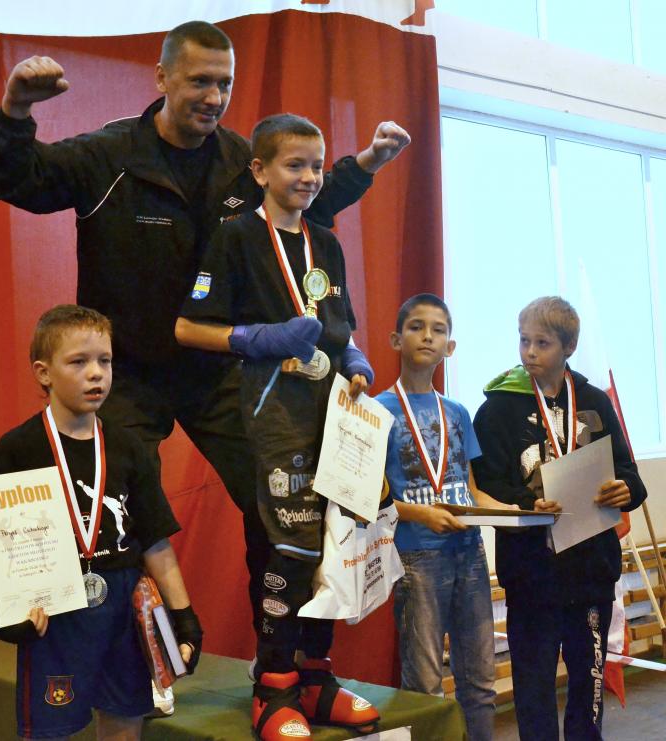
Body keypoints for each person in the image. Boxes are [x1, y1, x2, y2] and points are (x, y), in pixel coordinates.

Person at [0, 20, 410, 638]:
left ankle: (280, 661)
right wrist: (16, 110)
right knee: (113, 512)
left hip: (221, 370)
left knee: (279, 501)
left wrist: (366, 164)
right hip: (127, 374)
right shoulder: (110, 155)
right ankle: (125, 657)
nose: (214, 96)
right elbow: (20, 180)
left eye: (224, 84)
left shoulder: (239, 161)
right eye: (200, 81)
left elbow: (305, 193)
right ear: (162, 77)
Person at [175, 113, 378, 740]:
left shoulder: (327, 242)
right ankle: (273, 685)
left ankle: (316, 678)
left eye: (317, 165)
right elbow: (188, 327)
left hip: (330, 418)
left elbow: (337, 326)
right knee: (286, 549)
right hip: (268, 416)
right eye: (295, 165)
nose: (310, 177)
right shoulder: (235, 237)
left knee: (332, 548)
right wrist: (256, 338)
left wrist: (355, 361)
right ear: (260, 171)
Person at [0, 305, 202, 740]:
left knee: (124, 722)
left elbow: (155, 542)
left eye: (105, 361)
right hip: (54, 613)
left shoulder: (129, 447)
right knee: (51, 729)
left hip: (123, 608)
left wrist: (183, 614)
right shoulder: (18, 449)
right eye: (78, 362)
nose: (96, 373)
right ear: (44, 373)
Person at [472, 296, 647, 741]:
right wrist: (528, 504)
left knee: (588, 686)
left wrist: (624, 489)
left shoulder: (594, 401)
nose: (529, 352)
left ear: (569, 347)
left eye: (542, 343)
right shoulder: (497, 408)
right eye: (524, 340)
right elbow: (486, 486)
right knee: (533, 689)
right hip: (532, 575)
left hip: (590, 574)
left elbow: (630, 475)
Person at [375, 294, 506, 741]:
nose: (427, 336)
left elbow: (471, 491)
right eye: (416, 326)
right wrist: (421, 514)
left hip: (469, 553)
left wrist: (515, 511)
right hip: (417, 558)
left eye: (438, 329)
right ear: (396, 339)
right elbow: (368, 502)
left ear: (450, 347)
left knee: (480, 683)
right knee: (425, 686)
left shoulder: (458, 413)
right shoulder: (376, 411)